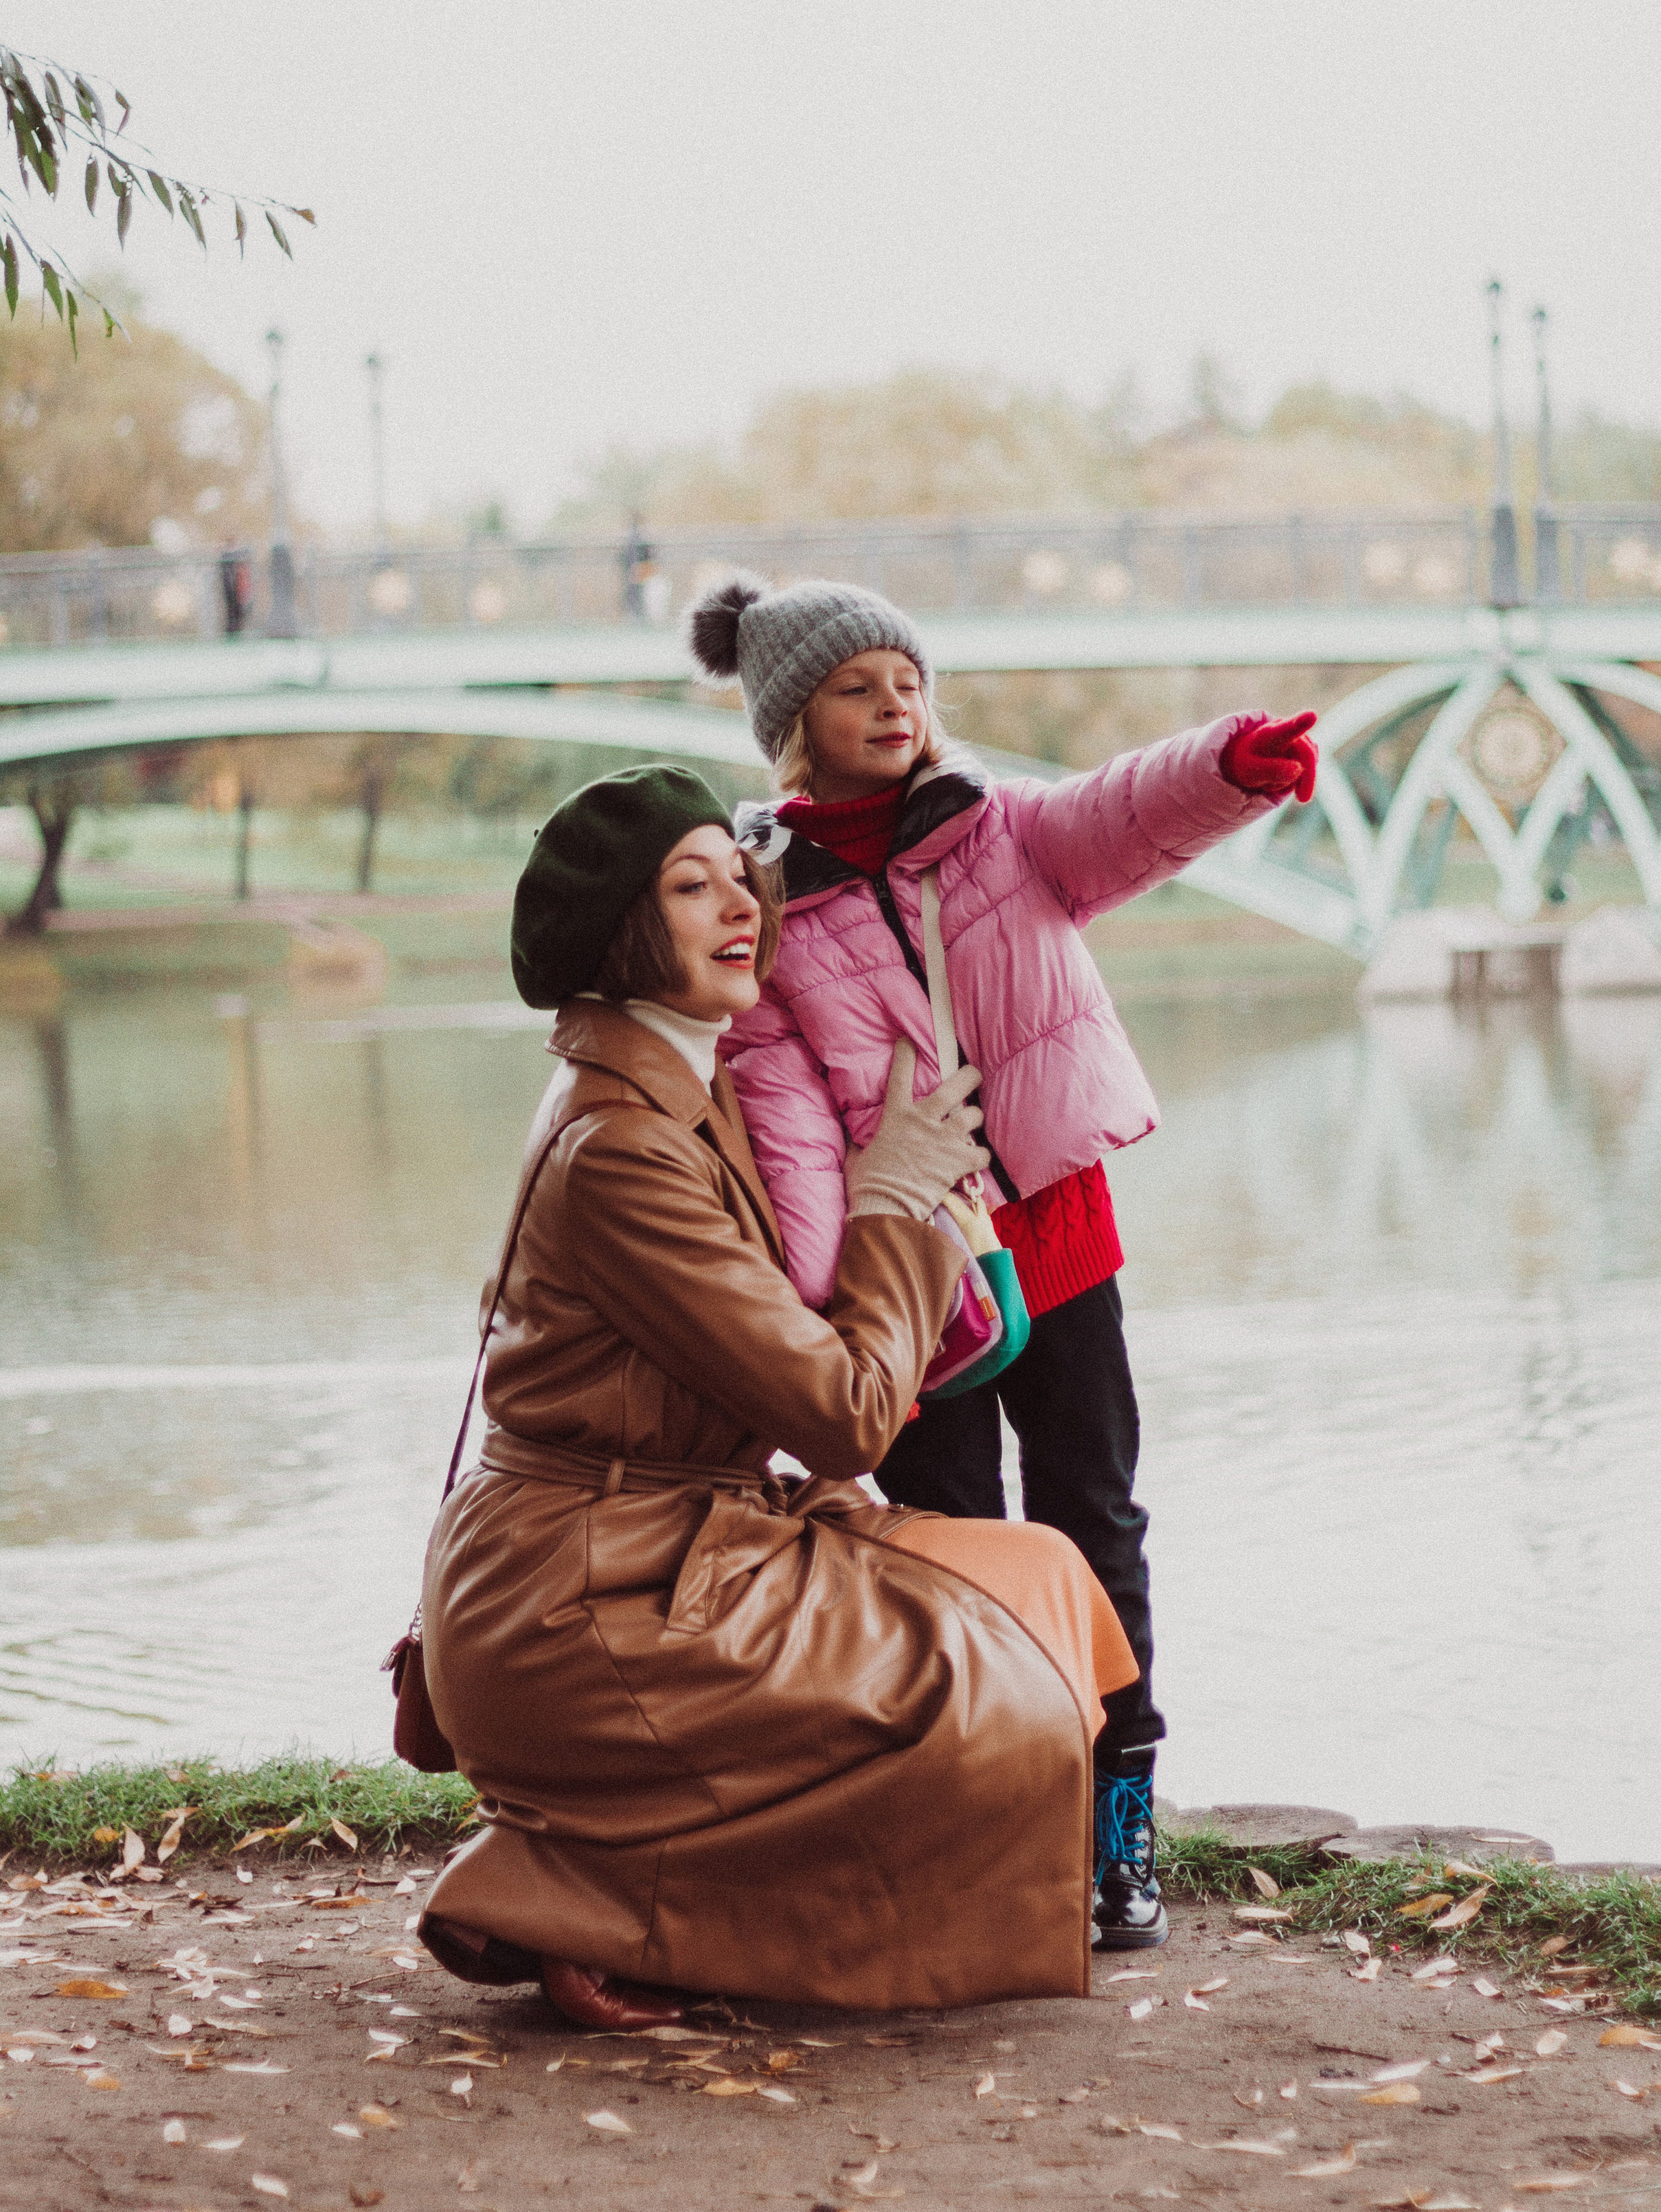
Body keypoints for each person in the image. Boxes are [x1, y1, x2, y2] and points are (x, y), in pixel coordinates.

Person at [416, 764, 1138, 2022]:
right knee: (982, 1698)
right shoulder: (626, 1147)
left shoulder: (679, 1082)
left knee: (1044, 1584)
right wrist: (894, 1204)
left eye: (735, 874)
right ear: (620, 938)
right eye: (689, 888)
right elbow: (850, 1415)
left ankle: (627, 1876)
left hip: (651, 1553)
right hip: (588, 1608)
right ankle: (587, 1895)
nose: (740, 903)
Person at [690, 578, 1317, 1951]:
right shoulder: (770, 907)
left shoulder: (998, 832)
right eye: (857, 688)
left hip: (1058, 1235)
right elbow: (785, 1127)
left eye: (906, 679)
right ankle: (992, 1822)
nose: (894, 705)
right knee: (951, 1545)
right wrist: (829, 1290)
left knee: (1094, 1520)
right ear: (796, 722)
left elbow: (1122, 812)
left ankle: (1116, 1837)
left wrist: (1224, 767)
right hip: (916, 1277)